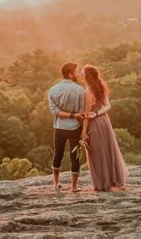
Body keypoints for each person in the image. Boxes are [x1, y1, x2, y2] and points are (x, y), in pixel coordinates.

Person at [81, 65, 129, 191]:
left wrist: (83, 133)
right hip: (104, 121)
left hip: (94, 124)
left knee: (97, 153)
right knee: (107, 150)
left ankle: (103, 183)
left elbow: (86, 115)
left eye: (83, 72)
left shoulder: (87, 93)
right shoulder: (101, 87)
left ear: (87, 76)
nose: (81, 73)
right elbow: (108, 106)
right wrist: (98, 113)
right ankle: (113, 180)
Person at [48, 62, 85, 192]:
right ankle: (74, 186)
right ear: (70, 74)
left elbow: (55, 112)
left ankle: (56, 183)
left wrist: (70, 115)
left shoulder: (52, 90)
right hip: (75, 128)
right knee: (74, 157)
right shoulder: (80, 90)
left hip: (59, 127)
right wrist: (83, 130)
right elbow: (81, 114)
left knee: (57, 154)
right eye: (76, 72)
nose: (78, 74)